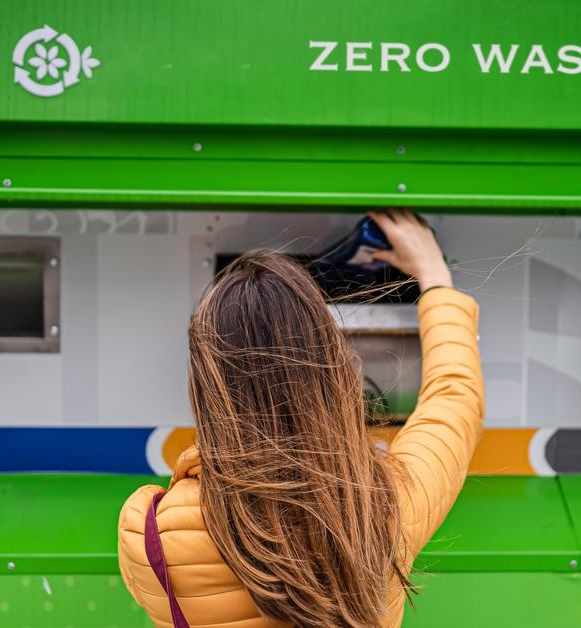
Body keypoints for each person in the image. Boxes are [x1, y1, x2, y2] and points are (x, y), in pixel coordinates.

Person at [118, 209, 484, 627]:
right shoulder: (383, 506)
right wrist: (435, 278)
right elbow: (454, 401)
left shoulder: (148, 532)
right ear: (333, 370)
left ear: (204, 383)